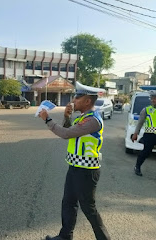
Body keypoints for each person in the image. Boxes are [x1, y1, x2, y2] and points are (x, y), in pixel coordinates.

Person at [38, 82, 111, 240]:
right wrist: (66, 116)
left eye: (78, 97)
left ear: (87, 101)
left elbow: (65, 134)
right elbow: (70, 131)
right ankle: (65, 236)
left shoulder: (93, 120)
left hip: (86, 171)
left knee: (89, 209)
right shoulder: (84, 117)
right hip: (75, 167)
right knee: (69, 203)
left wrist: (47, 120)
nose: (74, 100)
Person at [132, 90, 156, 183]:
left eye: (155, 99)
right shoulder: (146, 110)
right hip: (149, 135)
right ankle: (137, 167)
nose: (152, 100)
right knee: (146, 152)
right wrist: (135, 133)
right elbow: (140, 123)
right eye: (152, 99)